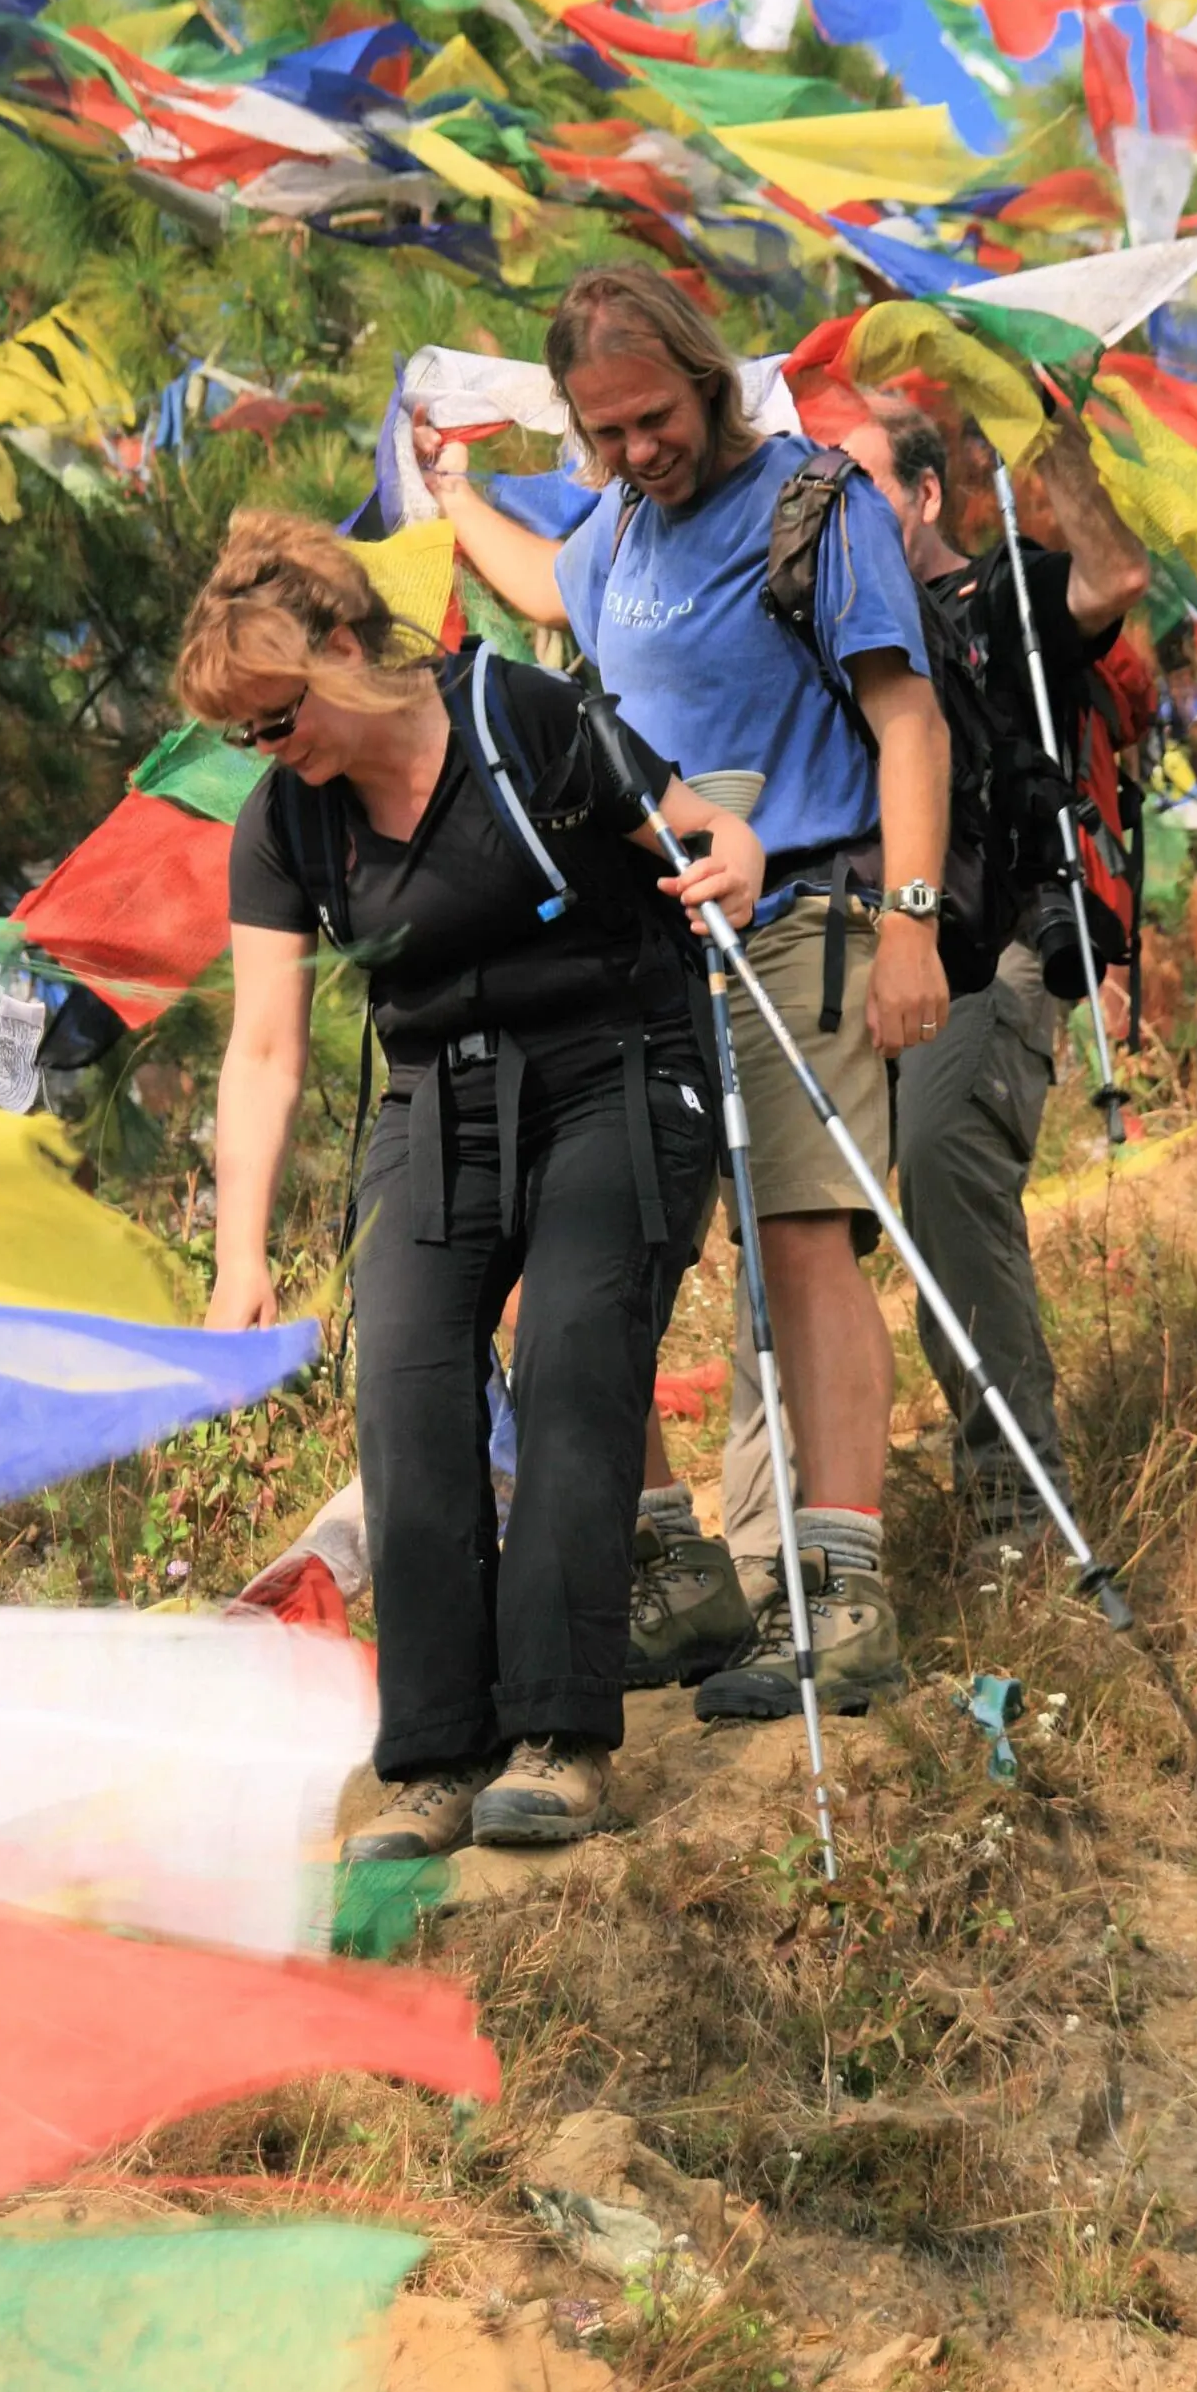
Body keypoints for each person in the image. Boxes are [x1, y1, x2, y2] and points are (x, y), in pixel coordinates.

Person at [412, 263, 952, 1725]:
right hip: (649, 950)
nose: (636, 450)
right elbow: (547, 587)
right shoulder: (617, 531)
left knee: (798, 1253)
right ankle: (674, 1577)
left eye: (653, 418)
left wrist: (909, 929)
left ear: (707, 380)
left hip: (807, 919)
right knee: (571, 1260)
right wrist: (449, 493)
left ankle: (839, 1601)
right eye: (604, 432)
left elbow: (906, 726)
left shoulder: (813, 505)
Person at [181, 509, 762, 1856]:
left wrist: (729, 854)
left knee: (569, 1354)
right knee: (408, 1382)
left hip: (613, 1065)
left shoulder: (524, 718)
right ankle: (435, 1757)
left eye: (278, 717)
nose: (271, 752)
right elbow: (262, 1050)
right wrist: (240, 1256)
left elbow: (701, 832)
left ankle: (560, 1736)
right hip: (436, 1096)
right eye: (247, 735)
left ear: (341, 646)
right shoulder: (286, 825)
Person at [721, 397, 1148, 1555]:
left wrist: (1046, 420)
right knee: (798, 1223)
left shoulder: (998, 594)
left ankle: (1018, 1514)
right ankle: (776, 1547)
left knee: (947, 1173)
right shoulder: (808, 622)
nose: (832, 519)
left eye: (860, 491)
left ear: (920, 496)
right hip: (841, 940)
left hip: (991, 947)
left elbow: (1112, 580)